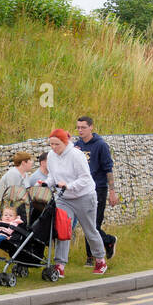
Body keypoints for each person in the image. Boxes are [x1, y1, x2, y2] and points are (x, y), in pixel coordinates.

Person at [46, 129, 108, 277]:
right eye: (51, 144)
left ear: (65, 142)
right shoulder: (51, 156)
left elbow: (85, 178)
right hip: (64, 198)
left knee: (90, 230)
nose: (54, 147)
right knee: (63, 229)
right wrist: (46, 183)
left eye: (57, 144)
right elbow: (52, 176)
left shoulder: (76, 155)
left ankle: (100, 260)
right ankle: (60, 264)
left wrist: (69, 185)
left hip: (84, 196)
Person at [72, 116, 117, 265]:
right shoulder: (76, 146)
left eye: (83, 127)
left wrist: (112, 191)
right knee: (87, 224)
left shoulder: (100, 145)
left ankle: (92, 256)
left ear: (91, 127)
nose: (80, 130)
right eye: (78, 128)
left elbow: (108, 169)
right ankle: (107, 241)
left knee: (93, 224)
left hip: (98, 188)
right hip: (82, 189)